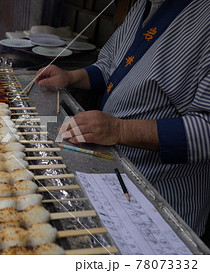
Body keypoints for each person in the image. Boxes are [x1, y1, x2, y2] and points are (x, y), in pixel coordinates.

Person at [36, 0, 209, 237]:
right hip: (109, 170)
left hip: (161, 195)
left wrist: (120, 129)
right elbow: (109, 65)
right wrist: (71, 76)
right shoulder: (143, 5)